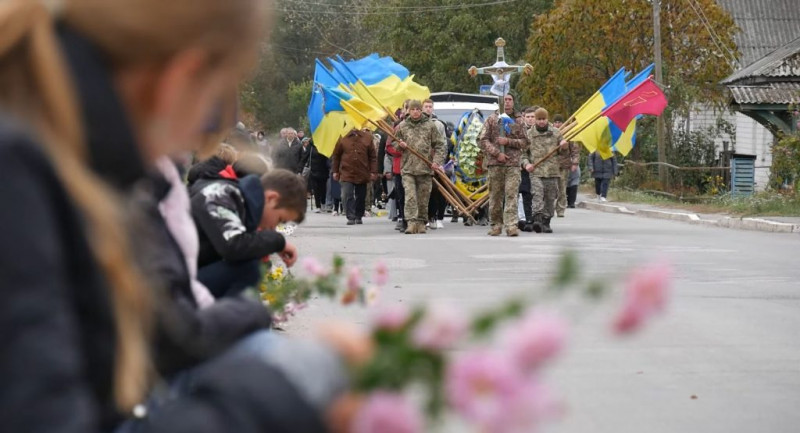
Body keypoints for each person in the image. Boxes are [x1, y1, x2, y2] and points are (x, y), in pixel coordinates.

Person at [0, 0, 358, 432]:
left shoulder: (55, 165)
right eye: (216, 98)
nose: (201, 136)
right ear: (181, 78)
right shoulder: (20, 174)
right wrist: (289, 386)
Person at [191, 167, 304, 297]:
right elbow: (233, 245)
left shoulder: (236, 199)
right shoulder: (221, 194)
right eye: (279, 219)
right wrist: (277, 241)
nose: (274, 227)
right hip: (170, 283)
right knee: (249, 269)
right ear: (272, 198)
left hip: (183, 273)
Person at [393, 99, 446, 234]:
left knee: (423, 198)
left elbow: (440, 145)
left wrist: (437, 162)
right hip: (408, 168)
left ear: (421, 110)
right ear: (408, 111)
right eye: (413, 109)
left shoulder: (430, 126)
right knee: (410, 196)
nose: (415, 112)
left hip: (425, 168)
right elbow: (393, 144)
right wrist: (400, 145)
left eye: (418, 109)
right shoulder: (402, 126)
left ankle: (422, 222)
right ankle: (411, 222)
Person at [479, 93, 528, 237]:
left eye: (509, 100)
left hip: (512, 164)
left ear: (513, 102)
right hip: (495, 164)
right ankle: (496, 224)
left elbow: (525, 142)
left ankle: (511, 225)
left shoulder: (519, 120)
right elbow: (483, 140)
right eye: (504, 100)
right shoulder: (492, 119)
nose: (507, 102)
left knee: (512, 194)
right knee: (495, 196)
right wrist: (496, 153)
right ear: (499, 102)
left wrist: (509, 142)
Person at [523, 108, 568, 234]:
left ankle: (546, 221)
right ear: (535, 120)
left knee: (550, 197)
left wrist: (564, 146)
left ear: (547, 119)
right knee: (537, 194)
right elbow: (523, 154)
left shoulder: (556, 132)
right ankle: (537, 219)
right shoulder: (529, 134)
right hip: (536, 171)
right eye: (539, 119)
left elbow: (563, 153)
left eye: (544, 119)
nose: (541, 122)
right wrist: (527, 164)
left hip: (552, 171)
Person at [331, 128, 378, 225]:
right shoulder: (342, 137)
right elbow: (336, 156)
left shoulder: (367, 137)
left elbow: (372, 157)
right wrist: (335, 171)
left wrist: (373, 171)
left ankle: (358, 215)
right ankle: (350, 216)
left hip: (362, 171)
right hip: (347, 172)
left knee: (361, 196)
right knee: (347, 194)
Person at [422, 98, 448, 229]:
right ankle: (422, 217)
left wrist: (439, 162)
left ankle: (434, 216)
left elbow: (442, 145)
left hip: (434, 163)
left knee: (434, 191)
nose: (428, 109)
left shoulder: (438, 125)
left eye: (430, 106)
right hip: (420, 163)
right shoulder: (416, 124)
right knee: (422, 191)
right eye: (425, 106)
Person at [553, 114, 579, 217]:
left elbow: (575, 150)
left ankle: (560, 209)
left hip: (563, 166)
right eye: (556, 122)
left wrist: (575, 163)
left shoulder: (569, 135)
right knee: (550, 188)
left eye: (560, 122)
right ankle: (549, 208)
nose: (558, 124)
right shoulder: (550, 133)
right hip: (550, 165)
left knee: (562, 188)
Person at [517, 106, 537, 232]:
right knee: (524, 193)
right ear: (524, 117)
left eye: (532, 117)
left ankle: (537, 217)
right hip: (522, 167)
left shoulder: (541, 130)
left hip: (538, 168)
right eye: (528, 117)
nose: (530, 119)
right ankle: (525, 218)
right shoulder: (519, 130)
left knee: (537, 194)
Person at [307, 140, 330, 213]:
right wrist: (300, 168)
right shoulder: (311, 146)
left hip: (324, 170)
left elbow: (328, 157)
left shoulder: (325, 145)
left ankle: (323, 203)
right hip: (313, 170)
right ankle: (318, 206)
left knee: (323, 188)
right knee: (315, 188)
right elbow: (305, 156)